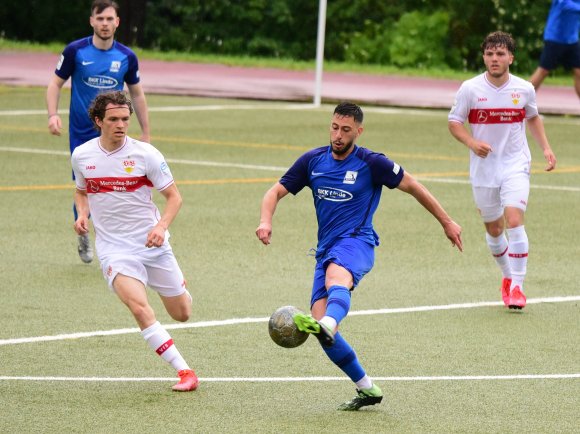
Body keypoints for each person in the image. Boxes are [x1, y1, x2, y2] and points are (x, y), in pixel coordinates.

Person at [256, 102, 463, 411]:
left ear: (359, 131)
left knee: (335, 279)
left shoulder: (371, 163)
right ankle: (366, 388)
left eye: (346, 130)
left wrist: (446, 222)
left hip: (357, 242)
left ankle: (328, 321)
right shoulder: (312, 161)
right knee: (322, 329)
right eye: (335, 128)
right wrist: (265, 220)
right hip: (324, 249)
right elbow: (274, 192)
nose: (338, 135)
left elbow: (413, 186)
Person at [71, 91, 197, 392]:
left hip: (152, 243)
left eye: (125, 119)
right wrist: (82, 214)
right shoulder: (82, 156)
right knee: (140, 308)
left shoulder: (146, 155)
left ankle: (177, 283)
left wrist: (161, 226)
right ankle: (185, 372)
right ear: (98, 121)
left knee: (182, 313)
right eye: (113, 119)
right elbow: (81, 190)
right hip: (114, 249)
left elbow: (174, 197)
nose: (121, 125)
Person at [449, 31, 557, 310]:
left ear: (511, 57)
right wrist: (472, 142)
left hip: (515, 163)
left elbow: (532, 117)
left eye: (500, 54)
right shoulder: (470, 89)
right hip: (484, 168)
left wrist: (545, 148)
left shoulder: (524, 89)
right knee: (495, 229)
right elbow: (455, 123)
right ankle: (508, 276)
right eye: (489, 54)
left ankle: (519, 287)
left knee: (514, 219)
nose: (494, 59)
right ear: (484, 57)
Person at [47, 0, 150, 264]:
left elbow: (137, 94)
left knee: (120, 182)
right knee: (86, 186)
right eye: (100, 19)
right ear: (92, 21)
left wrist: (146, 132)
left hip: (114, 132)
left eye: (109, 19)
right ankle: (82, 226)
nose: (104, 24)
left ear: (117, 22)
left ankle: (120, 239)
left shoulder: (126, 57)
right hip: (82, 133)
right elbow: (55, 84)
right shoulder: (75, 51)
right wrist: (53, 115)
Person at [530, 0, 580, 98]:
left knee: (579, 72)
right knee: (543, 71)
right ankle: (518, 102)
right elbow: (565, 5)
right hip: (554, 37)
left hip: (572, 39)